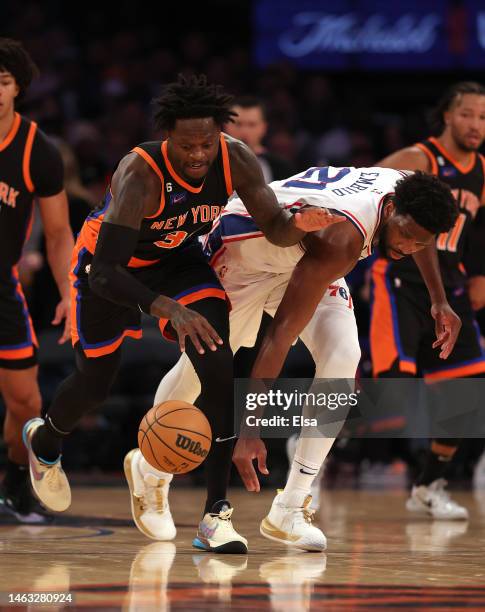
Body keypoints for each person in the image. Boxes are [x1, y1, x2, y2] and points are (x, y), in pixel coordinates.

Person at [22, 74, 340, 554]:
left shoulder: (235, 158)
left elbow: (273, 227)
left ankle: (216, 517)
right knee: (95, 384)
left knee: (218, 363)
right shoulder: (141, 173)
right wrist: (166, 308)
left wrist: (298, 224)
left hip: (177, 264)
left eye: (206, 144)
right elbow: (106, 273)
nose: (197, 155)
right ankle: (45, 442)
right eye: (187, 145)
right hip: (109, 268)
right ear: (167, 137)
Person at [150, 165, 460, 551]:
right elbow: (280, 335)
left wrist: (438, 300)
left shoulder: (412, 194)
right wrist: (251, 429)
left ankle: (291, 505)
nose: (408, 247)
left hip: (307, 258)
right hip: (246, 253)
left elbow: (422, 233)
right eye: (406, 237)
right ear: (393, 208)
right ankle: (151, 467)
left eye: (419, 242)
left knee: (344, 355)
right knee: (202, 369)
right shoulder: (342, 237)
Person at [369, 82, 485, 519]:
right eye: (469, 114)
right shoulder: (420, 158)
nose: (476, 125)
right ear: (449, 117)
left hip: (451, 288)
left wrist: (479, 275)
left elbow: (480, 232)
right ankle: (313, 446)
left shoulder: (483, 170)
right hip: (400, 279)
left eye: (484, 117)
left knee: (466, 392)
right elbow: (366, 192)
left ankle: (426, 486)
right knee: (391, 393)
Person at [0, 39, 73, 524]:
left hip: (1, 288)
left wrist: (70, 293)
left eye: (2, 81)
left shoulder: (36, 150)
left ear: (17, 88)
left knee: (27, 400)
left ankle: (14, 488)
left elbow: (59, 232)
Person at [225, 96, 294, 182]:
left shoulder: (281, 167)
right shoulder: (211, 163)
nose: (244, 131)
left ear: (263, 127)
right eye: (238, 124)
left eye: (252, 124)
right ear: (226, 125)